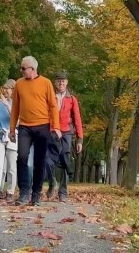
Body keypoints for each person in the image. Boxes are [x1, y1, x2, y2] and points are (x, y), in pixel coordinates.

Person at [9, 56, 60, 206]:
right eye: (21, 68)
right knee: (22, 157)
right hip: (24, 126)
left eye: (23, 68)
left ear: (33, 69)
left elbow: (53, 106)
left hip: (42, 126)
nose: (21, 70)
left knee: (39, 160)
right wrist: (12, 129)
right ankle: (24, 192)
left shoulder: (46, 83)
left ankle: (36, 193)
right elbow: (15, 108)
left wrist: (56, 127)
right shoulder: (19, 84)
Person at [46, 70, 84, 202]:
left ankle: (63, 191)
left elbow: (77, 119)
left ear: (67, 82)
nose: (61, 83)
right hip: (51, 131)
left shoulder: (72, 99)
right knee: (48, 160)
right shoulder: (49, 96)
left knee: (64, 158)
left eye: (63, 81)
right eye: (58, 81)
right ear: (55, 82)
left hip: (66, 132)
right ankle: (52, 182)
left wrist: (80, 139)